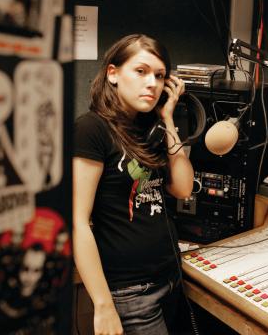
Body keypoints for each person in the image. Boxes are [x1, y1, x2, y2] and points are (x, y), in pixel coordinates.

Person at [73, 34, 194, 335]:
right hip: (130, 293)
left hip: (170, 277)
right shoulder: (91, 129)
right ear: (113, 74)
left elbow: (183, 189)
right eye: (141, 71)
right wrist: (103, 306)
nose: (152, 83)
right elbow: (77, 222)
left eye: (160, 75)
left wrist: (168, 119)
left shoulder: (150, 128)